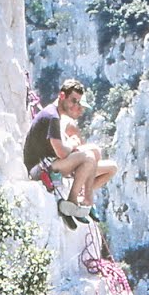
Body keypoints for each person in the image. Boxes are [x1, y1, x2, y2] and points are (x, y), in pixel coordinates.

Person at [23, 78, 117, 225]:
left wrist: (72, 147)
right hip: (39, 168)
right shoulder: (51, 116)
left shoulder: (55, 115)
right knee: (89, 157)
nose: (76, 105)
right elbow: (61, 152)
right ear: (62, 96)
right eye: (73, 100)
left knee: (108, 164)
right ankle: (73, 202)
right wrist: (73, 144)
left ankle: (82, 195)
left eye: (78, 102)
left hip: (50, 162)